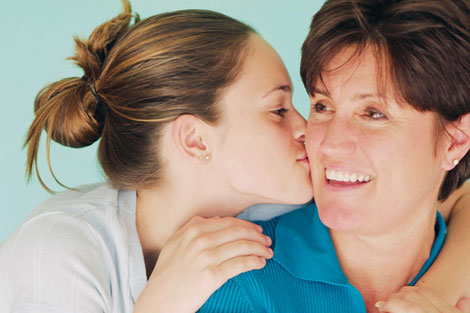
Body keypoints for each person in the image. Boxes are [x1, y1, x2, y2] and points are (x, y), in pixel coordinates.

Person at [0, 1, 468, 313]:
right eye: (280, 110)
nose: (315, 135)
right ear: (197, 141)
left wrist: (434, 293)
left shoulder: (281, 204)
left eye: (373, 113)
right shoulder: (59, 251)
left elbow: (454, 198)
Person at [199, 0, 470, 312]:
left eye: (373, 113)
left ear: (455, 142)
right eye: (323, 106)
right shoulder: (239, 280)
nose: (329, 144)